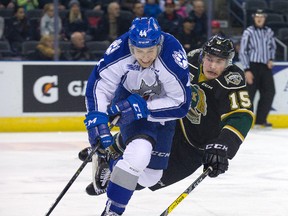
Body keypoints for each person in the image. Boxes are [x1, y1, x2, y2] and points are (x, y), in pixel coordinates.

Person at [80, 36, 254, 209]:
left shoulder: (233, 80)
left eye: (220, 61)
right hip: (174, 124)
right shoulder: (189, 60)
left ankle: (111, 170)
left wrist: (222, 146)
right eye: (209, 59)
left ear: (229, 62)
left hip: (195, 148)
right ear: (202, 55)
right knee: (143, 134)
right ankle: (111, 150)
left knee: (147, 180)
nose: (213, 66)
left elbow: (241, 116)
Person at [83, 17, 191, 215]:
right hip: (128, 95)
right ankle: (113, 210)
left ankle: (111, 162)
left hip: (163, 108)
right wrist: (96, 118)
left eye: (150, 50)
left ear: (159, 44)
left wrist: (142, 108)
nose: (145, 57)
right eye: (139, 51)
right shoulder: (120, 49)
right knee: (140, 154)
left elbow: (181, 104)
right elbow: (100, 84)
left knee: (150, 176)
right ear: (131, 46)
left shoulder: (172, 55)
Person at [239, 9, 276, 128]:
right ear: (253, 18)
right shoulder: (248, 32)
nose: (259, 18)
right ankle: (245, 121)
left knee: (269, 92)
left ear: (265, 18)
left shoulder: (269, 31)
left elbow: (272, 47)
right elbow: (243, 51)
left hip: (265, 66)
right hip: (252, 66)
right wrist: (247, 69)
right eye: (257, 16)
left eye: (262, 16)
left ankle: (260, 120)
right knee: (249, 95)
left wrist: (271, 59)